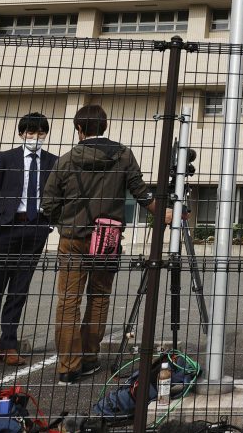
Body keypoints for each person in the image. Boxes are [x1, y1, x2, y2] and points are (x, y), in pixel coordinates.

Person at [43, 104, 162, 385]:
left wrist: (68, 221)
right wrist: (163, 211)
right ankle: (89, 356)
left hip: (72, 238)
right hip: (107, 236)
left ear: (79, 129)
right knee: (99, 297)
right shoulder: (123, 155)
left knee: (68, 301)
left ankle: (68, 367)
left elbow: (48, 203)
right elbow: (141, 193)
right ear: (105, 126)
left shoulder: (66, 160)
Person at [0, 112, 58, 368]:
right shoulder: (5, 158)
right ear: (21, 134)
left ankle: (9, 344)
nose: (35, 137)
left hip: (35, 229)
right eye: (30, 133)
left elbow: (58, 195)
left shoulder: (53, 162)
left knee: (19, 290)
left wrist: (48, 223)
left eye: (40, 133)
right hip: (6, 228)